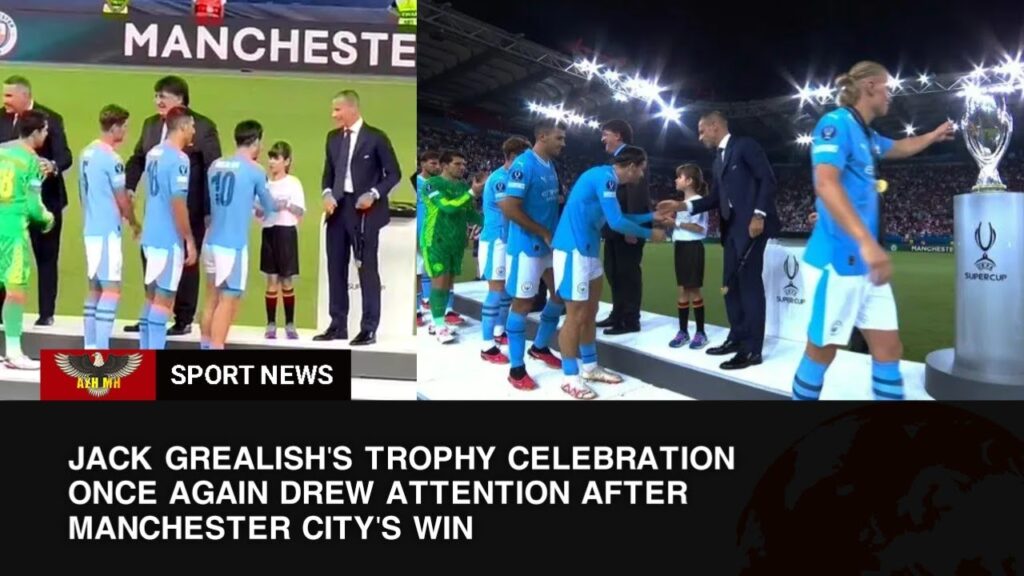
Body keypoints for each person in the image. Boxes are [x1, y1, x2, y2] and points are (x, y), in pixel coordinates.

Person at [790, 61, 953, 401]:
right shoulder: (835, 123)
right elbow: (825, 183)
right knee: (822, 351)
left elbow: (899, 147)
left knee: (888, 348)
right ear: (870, 87)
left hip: (866, 265)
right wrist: (867, 241)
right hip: (837, 261)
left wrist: (934, 135)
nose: (891, 96)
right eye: (887, 88)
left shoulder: (865, 134)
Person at [660, 111, 779, 370]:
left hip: (752, 227)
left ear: (715, 126)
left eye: (702, 130)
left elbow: (767, 180)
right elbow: (714, 199)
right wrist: (681, 205)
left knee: (749, 286)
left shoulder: (745, 146)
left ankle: (752, 350)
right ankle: (737, 337)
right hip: (731, 230)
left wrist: (759, 214)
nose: (700, 136)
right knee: (729, 286)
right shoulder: (718, 160)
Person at [553, 146, 669, 399]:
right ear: (631, 167)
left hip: (588, 249)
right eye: (641, 170)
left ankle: (590, 367)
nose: (641, 176)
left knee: (590, 311)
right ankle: (570, 378)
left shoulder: (607, 180)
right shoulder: (604, 177)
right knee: (575, 316)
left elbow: (617, 216)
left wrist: (651, 216)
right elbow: (616, 223)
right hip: (573, 250)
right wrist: (651, 234)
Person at [124, 75, 221, 336]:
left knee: (187, 263)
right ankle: (152, 315)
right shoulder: (150, 126)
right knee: (153, 264)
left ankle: (183, 317)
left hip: (191, 209)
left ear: (180, 100)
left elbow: (214, 169)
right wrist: (130, 187)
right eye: (156, 96)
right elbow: (137, 159)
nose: (157, 101)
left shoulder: (202, 126)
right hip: (157, 212)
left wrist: (212, 210)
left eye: (162, 96)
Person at [317, 90, 401, 346]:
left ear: (352, 109)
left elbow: (394, 173)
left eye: (337, 110)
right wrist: (327, 193)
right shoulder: (332, 138)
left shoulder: (376, 138)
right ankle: (337, 324)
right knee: (335, 267)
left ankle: (369, 328)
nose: (333, 115)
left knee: (366, 268)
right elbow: (327, 173)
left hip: (365, 211)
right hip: (337, 211)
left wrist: (374, 194)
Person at [500, 119, 566, 391]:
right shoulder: (523, 165)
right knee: (523, 304)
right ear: (542, 136)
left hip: (548, 245)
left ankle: (539, 347)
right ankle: (516, 369)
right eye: (559, 138)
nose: (563, 143)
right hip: (527, 247)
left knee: (560, 295)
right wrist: (542, 231)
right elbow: (509, 208)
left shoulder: (550, 165)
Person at [0, 76, 72, 326]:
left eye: (9, 96)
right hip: (9, 204)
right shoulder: (1, 118)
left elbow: (65, 157)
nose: (4, 101)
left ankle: (46, 314)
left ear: (24, 95)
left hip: (46, 200)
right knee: (4, 258)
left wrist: (51, 166)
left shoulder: (50, 119)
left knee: (46, 257)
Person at [200, 120, 278, 350]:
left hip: (211, 240)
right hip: (232, 245)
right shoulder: (256, 170)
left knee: (211, 297)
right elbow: (268, 207)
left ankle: (205, 347)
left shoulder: (216, 165)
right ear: (255, 141)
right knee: (228, 298)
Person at [138, 106, 199, 350]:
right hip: (166, 239)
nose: (194, 130)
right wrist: (189, 239)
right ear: (183, 127)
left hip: (150, 236)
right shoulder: (179, 159)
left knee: (151, 298)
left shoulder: (154, 153)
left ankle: (144, 357)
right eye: (192, 125)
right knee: (163, 301)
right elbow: (177, 202)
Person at [79, 105, 139, 350]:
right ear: (114, 127)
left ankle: (90, 347)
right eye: (124, 126)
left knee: (94, 288)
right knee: (112, 290)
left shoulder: (86, 152)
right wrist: (134, 222)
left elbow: (83, 193)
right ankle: (101, 351)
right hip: (106, 232)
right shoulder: (112, 159)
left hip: (90, 228)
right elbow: (121, 197)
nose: (126, 131)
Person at [0, 111, 55, 368]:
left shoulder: (1, 150)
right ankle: (13, 352)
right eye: (44, 131)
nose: (46, 136)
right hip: (12, 233)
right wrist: (48, 220)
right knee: (15, 291)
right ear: (35, 133)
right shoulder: (32, 161)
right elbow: (34, 208)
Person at [478, 136, 530, 363]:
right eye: (524, 157)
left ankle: (499, 332)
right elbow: (509, 210)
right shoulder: (499, 179)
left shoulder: (511, 177)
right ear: (513, 157)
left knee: (506, 291)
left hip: (508, 240)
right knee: (496, 291)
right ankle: (486, 345)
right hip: (495, 241)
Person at [595, 119, 650, 335]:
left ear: (618, 135)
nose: (602, 139)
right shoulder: (615, 159)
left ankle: (630, 320)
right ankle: (618, 314)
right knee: (613, 271)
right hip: (613, 228)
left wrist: (630, 228)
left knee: (628, 272)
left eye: (605, 133)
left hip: (628, 225)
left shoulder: (634, 156)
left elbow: (636, 192)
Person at [420, 151, 481, 343]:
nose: (462, 167)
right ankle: (439, 327)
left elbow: (470, 214)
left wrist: (493, 222)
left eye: (463, 164)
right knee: (439, 282)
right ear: (444, 165)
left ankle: (437, 322)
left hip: (456, 242)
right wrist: (472, 192)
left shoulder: (462, 186)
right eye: (457, 164)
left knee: (447, 284)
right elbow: (448, 207)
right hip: (435, 240)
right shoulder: (432, 184)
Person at [260, 141, 305, 340]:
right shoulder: (264, 184)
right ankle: (270, 323)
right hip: (269, 232)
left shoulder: (293, 183)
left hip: (286, 232)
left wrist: (286, 205)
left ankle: (289, 323)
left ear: (286, 161)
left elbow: (301, 210)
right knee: (271, 279)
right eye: (270, 157)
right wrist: (269, 208)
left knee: (286, 279)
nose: (272, 162)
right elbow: (258, 211)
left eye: (276, 158)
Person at [669, 163, 710, 350]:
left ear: (689, 181)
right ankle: (683, 331)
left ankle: (701, 332)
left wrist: (675, 222)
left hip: (693, 247)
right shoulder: (681, 204)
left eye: (680, 177)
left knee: (693, 290)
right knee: (683, 290)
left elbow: (699, 228)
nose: (676, 180)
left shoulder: (698, 201)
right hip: (681, 247)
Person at [414, 150, 442, 327]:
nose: (437, 167)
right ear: (422, 163)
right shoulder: (415, 182)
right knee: (417, 272)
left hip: (435, 234)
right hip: (419, 234)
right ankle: (417, 311)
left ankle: (435, 315)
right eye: (433, 163)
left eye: (438, 163)